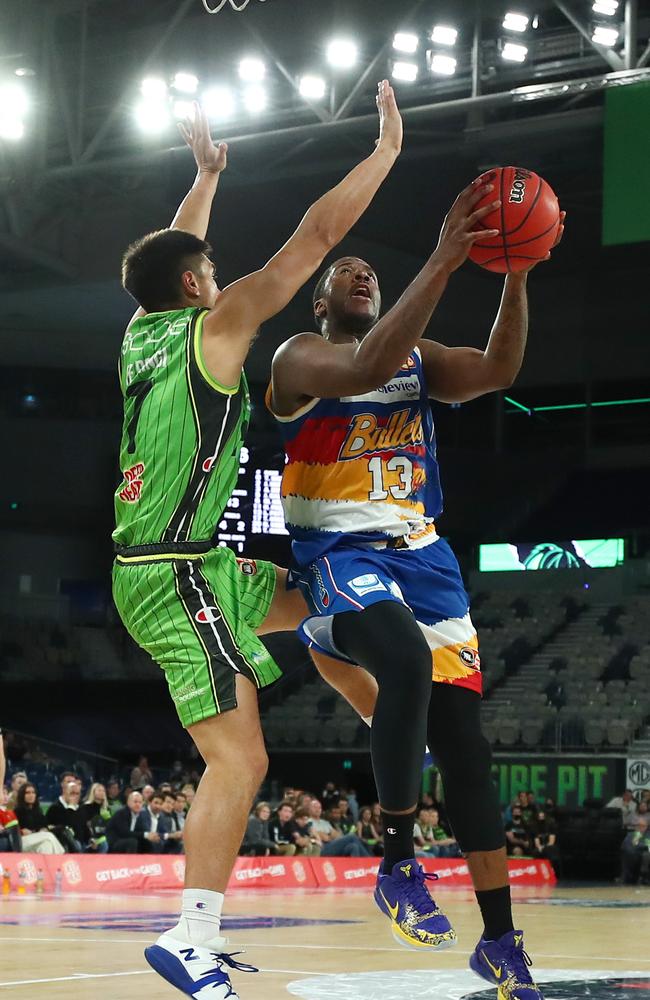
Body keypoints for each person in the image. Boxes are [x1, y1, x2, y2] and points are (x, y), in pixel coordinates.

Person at [112, 84, 402, 1000]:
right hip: (174, 576)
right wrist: (385, 152)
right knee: (242, 759)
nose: (220, 273)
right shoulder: (216, 324)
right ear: (200, 287)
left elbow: (168, 259)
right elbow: (313, 241)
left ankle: (385, 712)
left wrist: (203, 179)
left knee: (323, 595)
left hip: (192, 561)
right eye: (211, 266)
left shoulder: (142, 334)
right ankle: (191, 937)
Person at [269, 178, 564, 995]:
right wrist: (444, 254)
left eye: (371, 271)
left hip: (427, 557)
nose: (361, 275)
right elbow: (366, 362)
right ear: (322, 300)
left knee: (466, 748)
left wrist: (514, 272)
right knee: (399, 659)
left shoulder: (420, 362)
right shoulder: (300, 358)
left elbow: (500, 368)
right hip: (338, 548)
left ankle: (500, 938)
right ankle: (398, 864)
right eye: (347, 272)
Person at [14, 783, 65, 855]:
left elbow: (44, 826)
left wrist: (44, 829)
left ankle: (47, 866)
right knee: (48, 836)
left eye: (33, 792)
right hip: (22, 841)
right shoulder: (17, 811)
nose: (31, 795)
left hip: (38, 841)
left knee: (46, 845)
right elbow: (13, 830)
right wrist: (21, 831)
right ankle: (61, 855)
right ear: (22, 795)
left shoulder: (38, 812)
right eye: (28, 793)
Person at [46, 779, 85, 851]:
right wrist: (71, 808)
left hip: (80, 842)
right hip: (61, 842)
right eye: (72, 793)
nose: (75, 796)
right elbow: (65, 826)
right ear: (64, 792)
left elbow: (83, 828)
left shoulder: (80, 808)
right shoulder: (55, 808)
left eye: (77, 794)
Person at [80, 783, 112, 854]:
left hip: (104, 836)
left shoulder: (107, 808)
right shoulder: (86, 807)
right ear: (93, 792)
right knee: (104, 844)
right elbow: (84, 825)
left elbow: (110, 826)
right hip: (91, 836)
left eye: (103, 791)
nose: (102, 793)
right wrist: (90, 838)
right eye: (99, 790)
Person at [621, 817, 650, 885]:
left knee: (646, 855)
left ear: (646, 827)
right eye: (638, 825)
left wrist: (640, 846)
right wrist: (642, 845)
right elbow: (629, 847)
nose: (640, 827)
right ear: (635, 826)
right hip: (633, 857)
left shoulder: (648, 836)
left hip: (645, 856)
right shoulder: (630, 835)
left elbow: (649, 847)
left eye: (643, 826)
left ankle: (643, 876)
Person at [532, 807, 559, 875]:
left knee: (549, 850)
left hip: (549, 846)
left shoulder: (550, 826)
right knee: (536, 851)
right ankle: (537, 871)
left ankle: (551, 870)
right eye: (539, 817)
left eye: (542, 816)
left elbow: (551, 841)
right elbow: (536, 841)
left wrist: (544, 848)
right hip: (541, 846)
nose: (541, 818)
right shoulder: (536, 827)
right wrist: (539, 847)